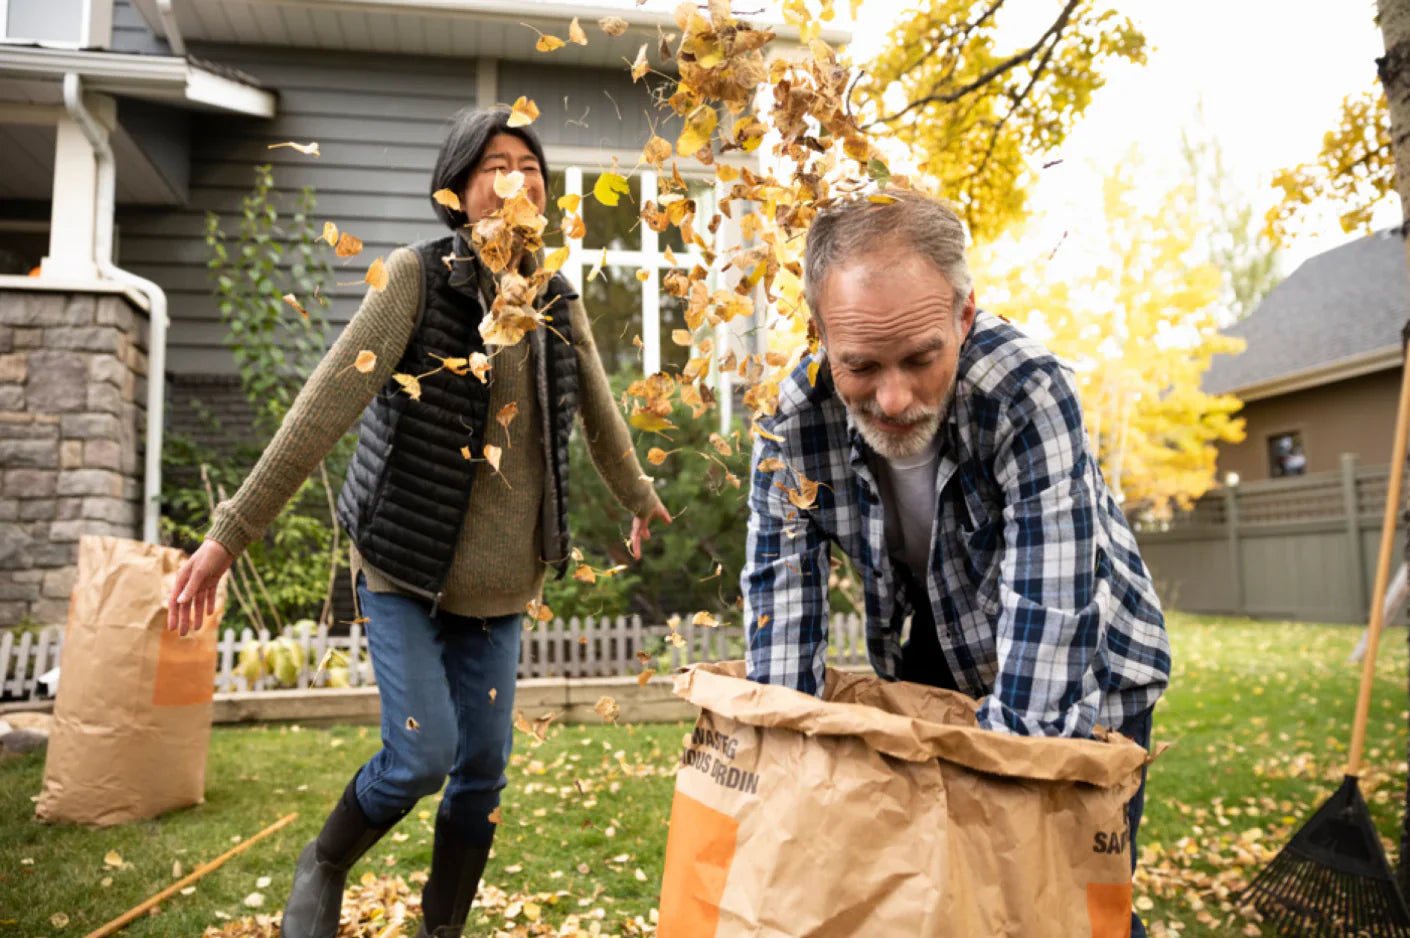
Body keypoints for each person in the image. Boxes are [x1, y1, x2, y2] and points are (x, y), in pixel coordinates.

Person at [167, 106, 671, 938]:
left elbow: (602, 417)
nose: (518, 180)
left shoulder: (554, 296)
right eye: (495, 166)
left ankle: (440, 929)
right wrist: (229, 534)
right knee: (421, 758)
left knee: (482, 773)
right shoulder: (416, 277)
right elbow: (323, 407)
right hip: (405, 565)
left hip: (502, 586)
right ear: (456, 191)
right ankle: (325, 861)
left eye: (530, 166)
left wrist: (641, 497)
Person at [741, 189, 1169, 937]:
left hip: (1089, 664)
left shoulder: (1026, 391)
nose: (894, 396)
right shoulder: (791, 422)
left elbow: (1050, 621)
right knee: (933, 900)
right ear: (819, 334)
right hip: (938, 645)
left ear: (964, 317)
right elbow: (781, 619)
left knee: (1058, 904)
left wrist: (997, 826)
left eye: (920, 358)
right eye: (862, 366)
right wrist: (788, 781)